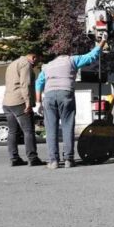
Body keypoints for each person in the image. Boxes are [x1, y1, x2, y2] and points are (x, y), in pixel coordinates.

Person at [35, 36, 107, 169]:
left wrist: (38, 102)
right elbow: (92, 56)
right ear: (68, 52)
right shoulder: (72, 60)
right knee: (68, 127)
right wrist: (103, 41)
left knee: (51, 129)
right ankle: (68, 159)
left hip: (49, 96)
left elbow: (38, 83)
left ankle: (53, 161)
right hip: (65, 94)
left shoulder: (47, 66)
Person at [2, 51, 43, 167]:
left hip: (7, 102)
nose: (36, 64)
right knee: (28, 131)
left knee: (12, 131)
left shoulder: (12, 64)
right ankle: (33, 158)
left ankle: (14, 158)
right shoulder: (25, 65)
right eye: (38, 60)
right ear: (34, 57)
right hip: (19, 102)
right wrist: (28, 103)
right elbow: (26, 85)